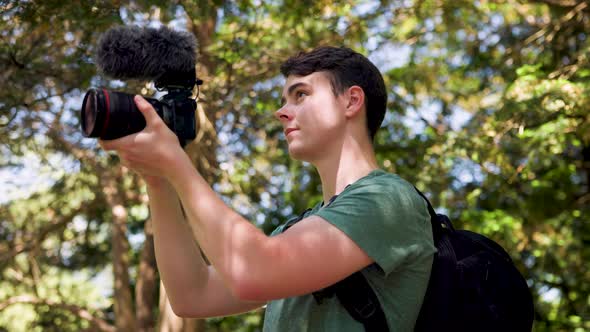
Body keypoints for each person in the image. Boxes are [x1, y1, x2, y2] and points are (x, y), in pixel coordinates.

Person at [99, 46, 436, 331]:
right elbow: (192, 295)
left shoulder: (389, 200)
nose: (281, 112)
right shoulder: (299, 229)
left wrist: (178, 165)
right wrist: (159, 182)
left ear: (351, 102)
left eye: (300, 94)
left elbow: (254, 272)